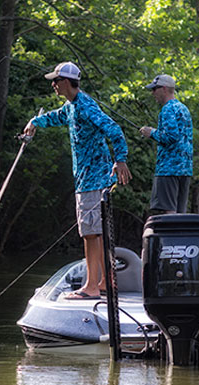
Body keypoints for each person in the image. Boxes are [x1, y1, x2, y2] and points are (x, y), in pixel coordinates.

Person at [23, 61, 132, 300]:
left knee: (90, 234)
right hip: (90, 180)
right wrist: (34, 122)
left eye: (55, 81)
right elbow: (55, 117)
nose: (53, 85)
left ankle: (92, 287)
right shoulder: (71, 106)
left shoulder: (85, 106)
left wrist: (121, 160)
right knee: (98, 232)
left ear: (65, 82)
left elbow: (114, 129)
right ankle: (104, 283)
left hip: (93, 180)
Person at [139, 74, 193, 214]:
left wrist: (151, 132)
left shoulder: (168, 109)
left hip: (169, 169)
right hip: (185, 169)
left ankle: (173, 236)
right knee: (180, 214)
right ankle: (181, 236)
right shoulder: (183, 108)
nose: (153, 93)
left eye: (154, 89)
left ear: (163, 89)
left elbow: (171, 136)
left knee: (170, 214)